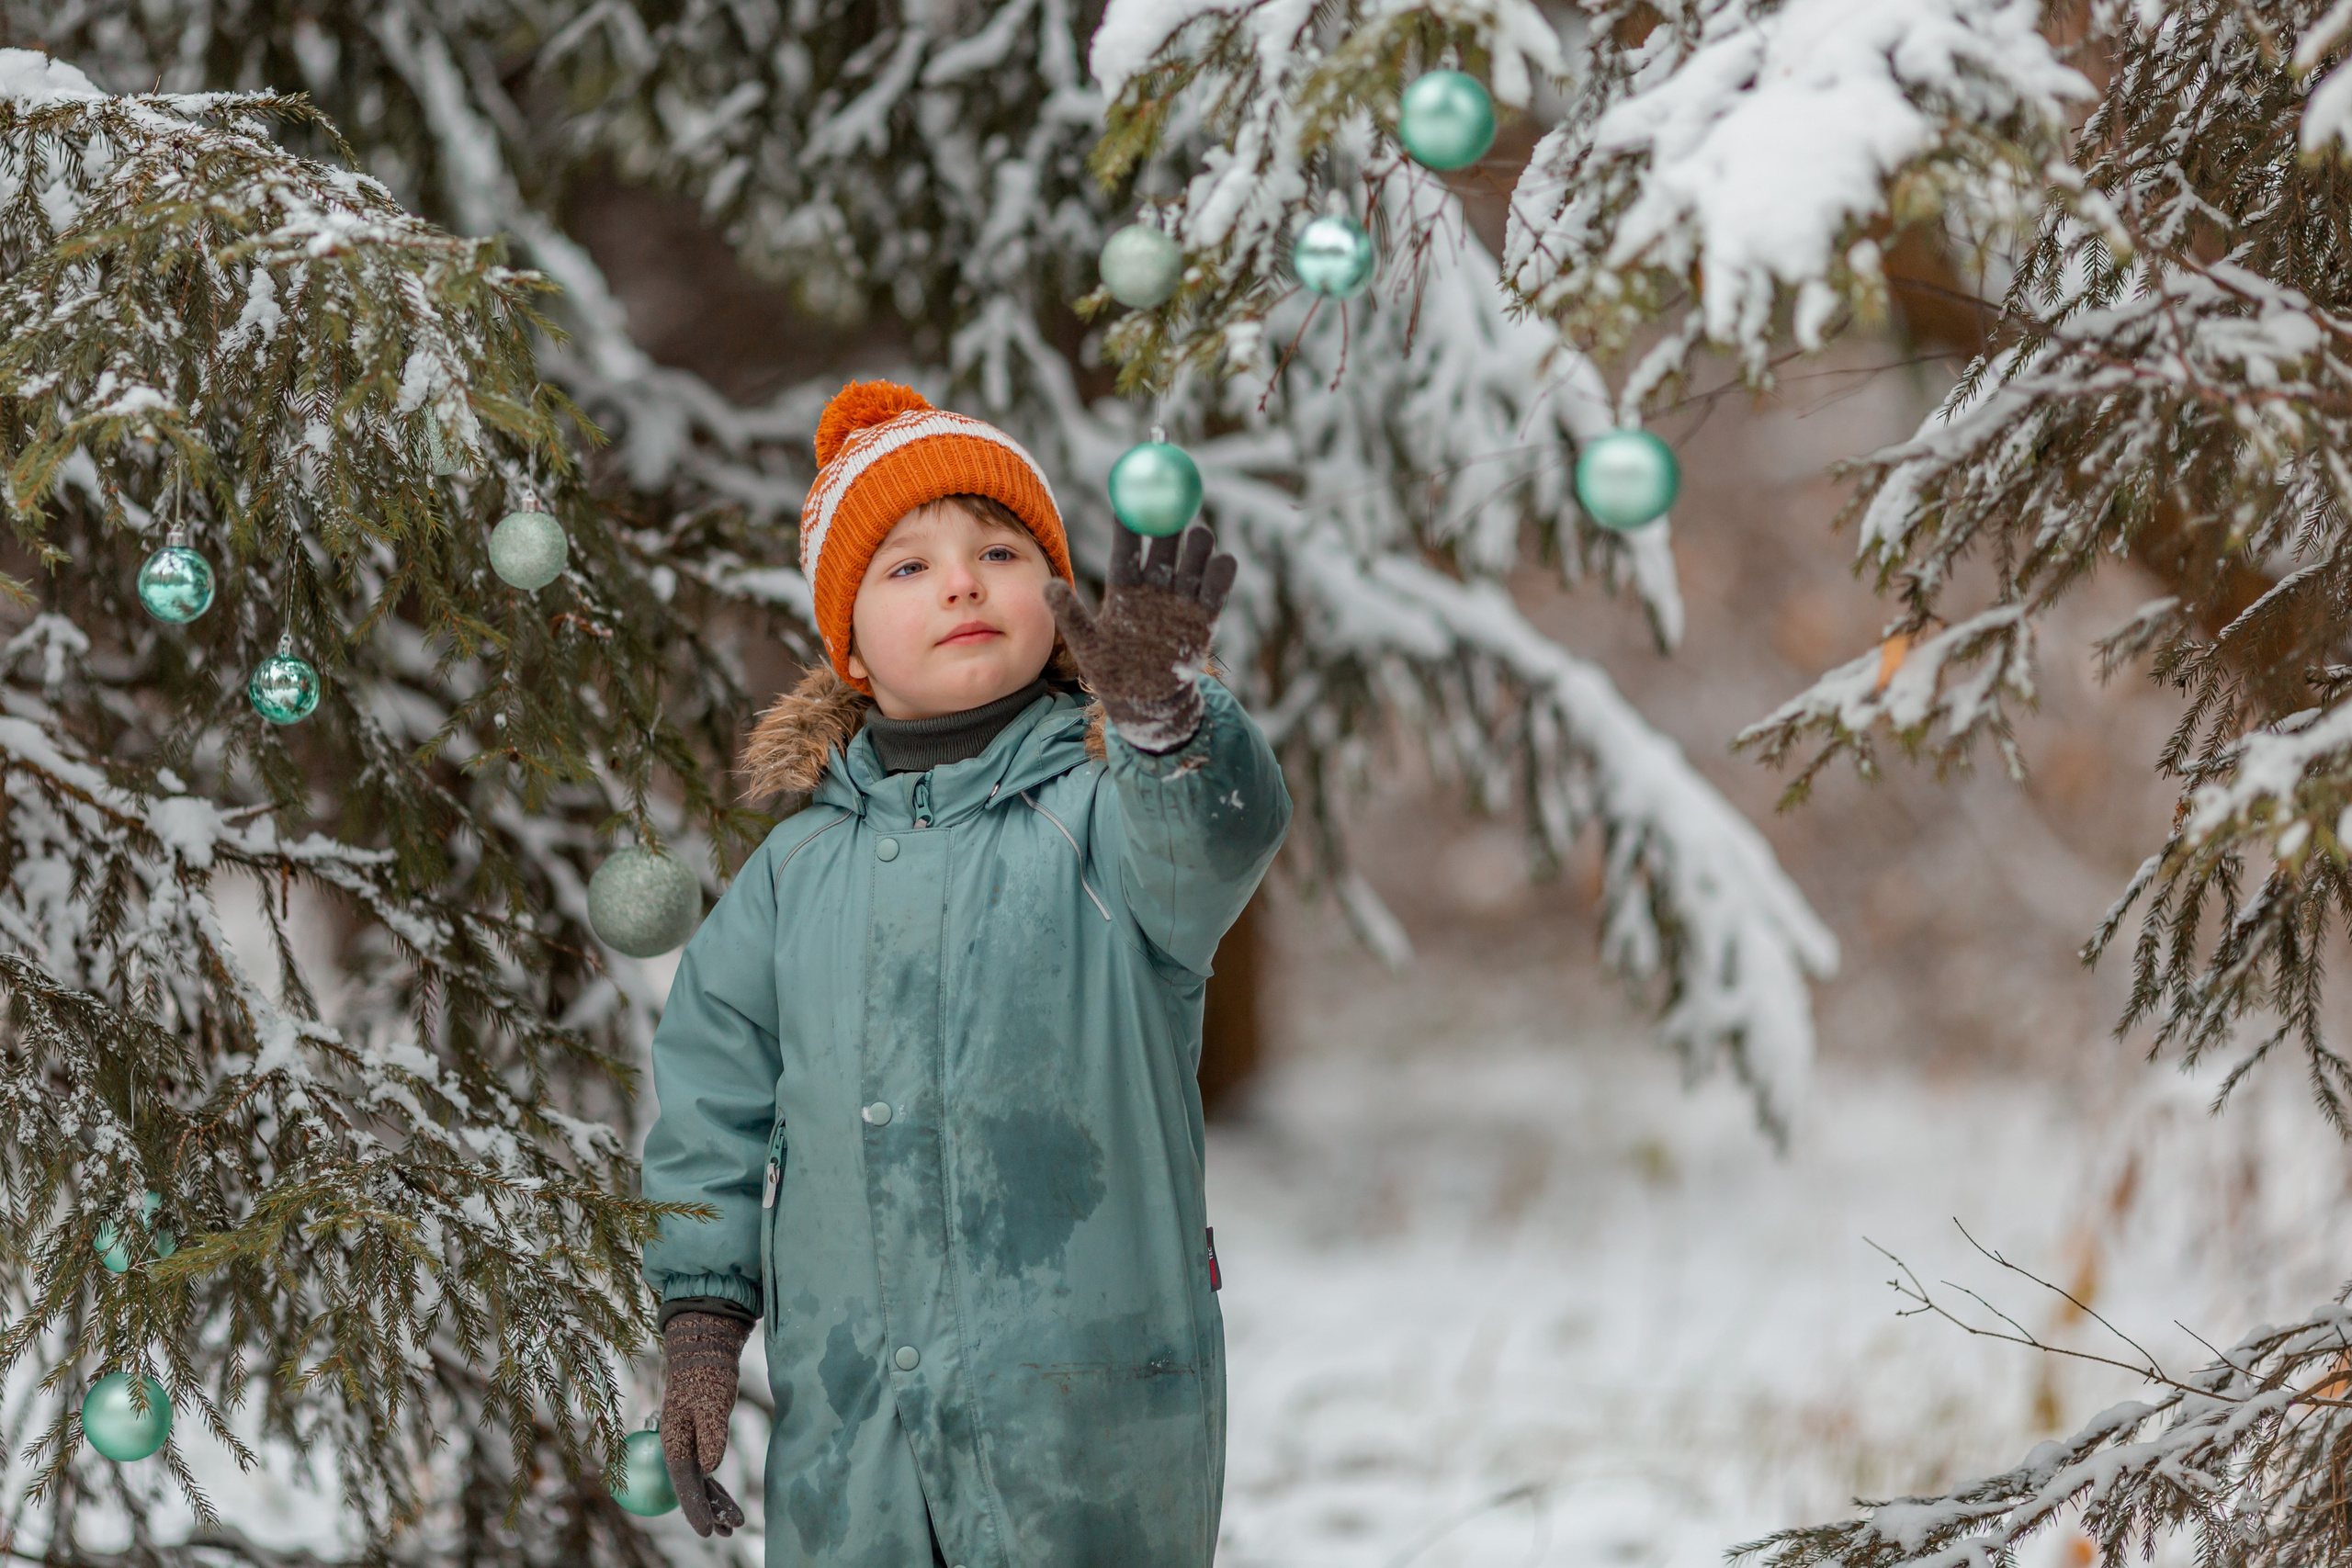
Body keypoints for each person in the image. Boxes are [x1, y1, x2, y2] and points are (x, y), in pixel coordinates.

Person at [638, 380, 1291, 1566]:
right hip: (859, 1436)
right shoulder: (792, 875)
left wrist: (1166, 725)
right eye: (908, 566)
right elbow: (710, 1104)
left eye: (999, 551)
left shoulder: (1110, 819)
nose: (962, 584)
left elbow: (1217, 837)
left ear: (1057, 600)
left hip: (1087, 1425)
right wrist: (702, 1320)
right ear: (846, 646)